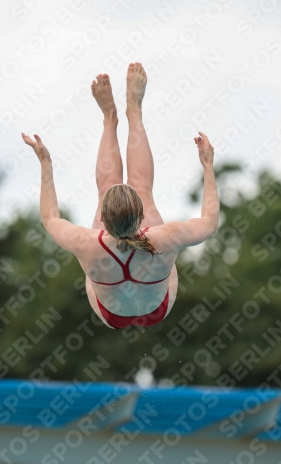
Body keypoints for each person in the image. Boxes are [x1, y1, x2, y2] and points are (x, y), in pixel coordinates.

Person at [22, 62, 219, 329]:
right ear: (142, 217)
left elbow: (49, 217)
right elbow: (209, 221)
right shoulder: (166, 237)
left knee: (110, 189)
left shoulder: (85, 242)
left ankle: (109, 117)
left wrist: (46, 164)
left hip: (110, 313)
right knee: (141, 187)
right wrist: (207, 165)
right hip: (158, 308)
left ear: (103, 217)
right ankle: (133, 110)